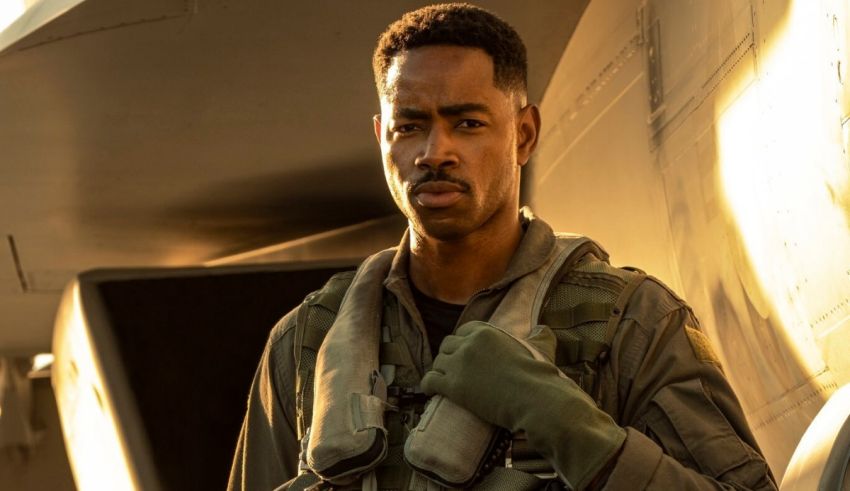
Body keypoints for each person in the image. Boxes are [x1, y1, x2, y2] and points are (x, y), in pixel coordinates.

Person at [228, 4, 777, 490]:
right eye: (410, 127)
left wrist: (571, 427)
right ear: (382, 139)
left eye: (467, 123)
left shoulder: (629, 323)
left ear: (524, 134)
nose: (435, 152)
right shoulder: (308, 342)